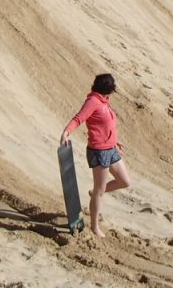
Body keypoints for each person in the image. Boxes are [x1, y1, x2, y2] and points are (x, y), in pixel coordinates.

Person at [60, 73, 131, 237]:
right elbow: (79, 118)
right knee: (100, 189)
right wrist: (66, 132)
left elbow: (106, 125)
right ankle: (94, 226)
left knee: (124, 181)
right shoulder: (93, 101)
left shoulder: (104, 101)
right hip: (99, 151)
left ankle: (95, 193)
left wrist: (115, 140)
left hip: (110, 148)